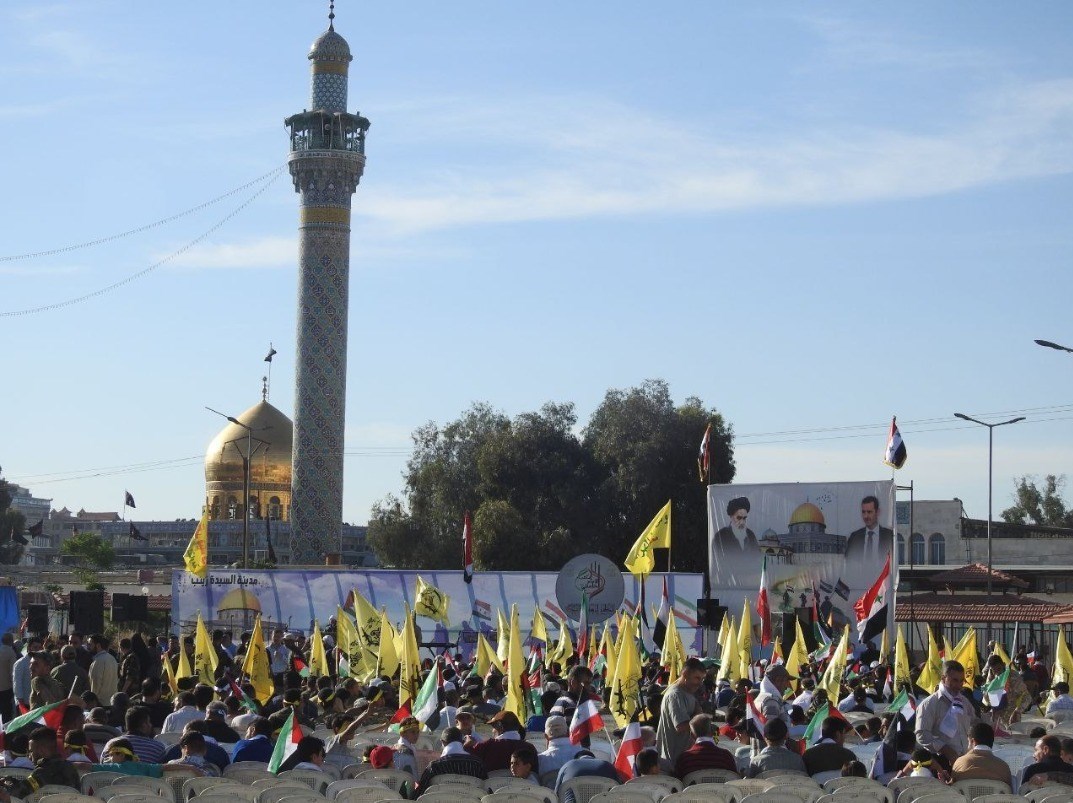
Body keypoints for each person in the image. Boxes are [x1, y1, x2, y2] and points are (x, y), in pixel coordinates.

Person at [915, 660, 974, 771]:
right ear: (943, 678)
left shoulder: (964, 702)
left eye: (961, 681)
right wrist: (945, 749)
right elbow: (921, 734)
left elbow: (974, 724)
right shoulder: (929, 704)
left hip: (964, 761)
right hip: (940, 764)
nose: (959, 685)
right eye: (954, 680)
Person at [0, 727, 80, 800]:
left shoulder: (43, 771)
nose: (29, 756)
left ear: (41, 750)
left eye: (31, 751)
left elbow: (18, 792)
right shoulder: (71, 768)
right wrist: (14, 781)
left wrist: (3, 787)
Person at [656, 657, 705, 765]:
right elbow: (681, 726)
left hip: (685, 760)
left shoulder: (689, 693)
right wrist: (699, 716)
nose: (700, 683)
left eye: (702, 679)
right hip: (673, 763)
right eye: (697, 678)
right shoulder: (675, 695)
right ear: (685, 675)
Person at [416, 727, 487, 792]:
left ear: (442, 742)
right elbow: (486, 788)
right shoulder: (477, 764)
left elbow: (421, 791)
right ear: (462, 742)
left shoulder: (434, 766)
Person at [674, 714, 737, 779]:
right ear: (712, 732)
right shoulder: (726, 757)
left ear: (691, 735)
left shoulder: (684, 759)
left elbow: (678, 783)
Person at [950, 722, 1013, 786]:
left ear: (973, 742)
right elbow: (1009, 791)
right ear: (991, 741)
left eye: (968, 742)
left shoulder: (959, 763)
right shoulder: (1003, 768)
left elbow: (953, 788)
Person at [844, 496, 895, 562]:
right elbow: (848, 561)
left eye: (869, 512)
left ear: (877, 512)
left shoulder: (889, 536)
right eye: (863, 512)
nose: (866, 516)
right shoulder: (854, 537)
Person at [554, 752, 620, 803]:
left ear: (577, 759)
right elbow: (618, 791)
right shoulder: (608, 766)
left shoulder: (568, 765)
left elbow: (556, 794)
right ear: (594, 758)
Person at [88, 635, 119, 704]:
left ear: (98, 645)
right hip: (111, 702)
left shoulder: (98, 661)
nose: (88, 647)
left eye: (90, 644)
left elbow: (95, 685)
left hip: (100, 703)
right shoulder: (112, 658)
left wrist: (92, 702)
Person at [0, 634, 16, 722]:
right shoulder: (11, 653)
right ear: (11, 641)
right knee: (6, 712)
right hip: (6, 688)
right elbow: (12, 672)